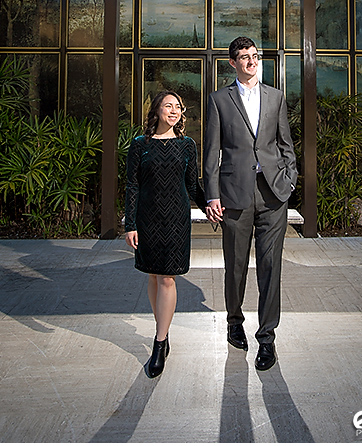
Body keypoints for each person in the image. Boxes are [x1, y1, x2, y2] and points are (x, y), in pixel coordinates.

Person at [204, 36, 297, 372]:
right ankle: (233, 321)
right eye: (243, 57)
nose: (251, 62)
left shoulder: (276, 97)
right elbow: (211, 151)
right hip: (234, 195)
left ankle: (267, 338)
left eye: (254, 56)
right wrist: (212, 194)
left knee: (271, 268)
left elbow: (285, 144)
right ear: (232, 63)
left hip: (273, 195)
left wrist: (289, 180)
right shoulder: (219, 100)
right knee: (237, 265)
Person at [125, 90, 207, 378]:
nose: (174, 111)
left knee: (167, 277)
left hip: (176, 218)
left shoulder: (187, 145)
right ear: (157, 110)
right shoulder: (140, 144)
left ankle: (160, 342)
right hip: (147, 218)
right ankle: (164, 328)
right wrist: (130, 224)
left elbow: (193, 185)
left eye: (178, 107)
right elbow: (132, 185)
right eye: (168, 106)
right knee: (152, 273)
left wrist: (211, 205)